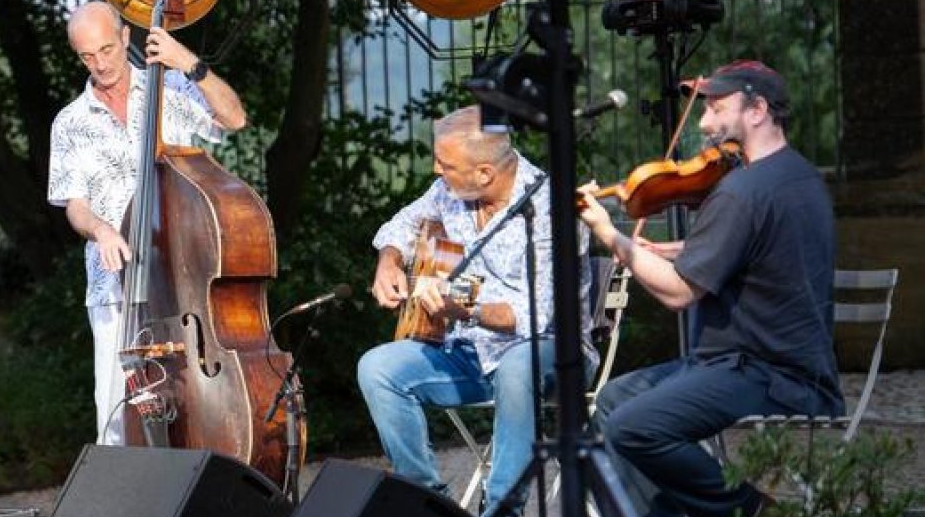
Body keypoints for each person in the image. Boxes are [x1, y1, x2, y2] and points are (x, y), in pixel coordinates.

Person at [577, 60, 841, 517]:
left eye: (716, 107)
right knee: (616, 397)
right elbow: (752, 248)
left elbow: (679, 294)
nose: (703, 122)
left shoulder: (742, 191)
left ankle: (748, 509)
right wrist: (675, 249)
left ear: (757, 109)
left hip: (765, 371)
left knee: (631, 427)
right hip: (790, 361)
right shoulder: (800, 175)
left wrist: (611, 237)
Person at [358, 105, 592, 516]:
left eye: (445, 164)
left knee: (519, 364)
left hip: (552, 355)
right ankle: (428, 502)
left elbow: (532, 318)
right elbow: (404, 224)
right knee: (377, 367)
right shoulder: (452, 189)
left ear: (485, 173)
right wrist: (389, 262)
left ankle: (502, 509)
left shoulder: (552, 210)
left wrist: (461, 309)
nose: (436, 170)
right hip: (471, 352)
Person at [47, 0, 248, 444]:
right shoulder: (69, 122)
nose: (100, 64)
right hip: (113, 286)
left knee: (198, 400)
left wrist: (187, 63)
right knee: (116, 416)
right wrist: (101, 229)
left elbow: (235, 117)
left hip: (183, 279)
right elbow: (74, 206)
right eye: (87, 56)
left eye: (106, 49)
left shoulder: (171, 88)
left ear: (124, 38)